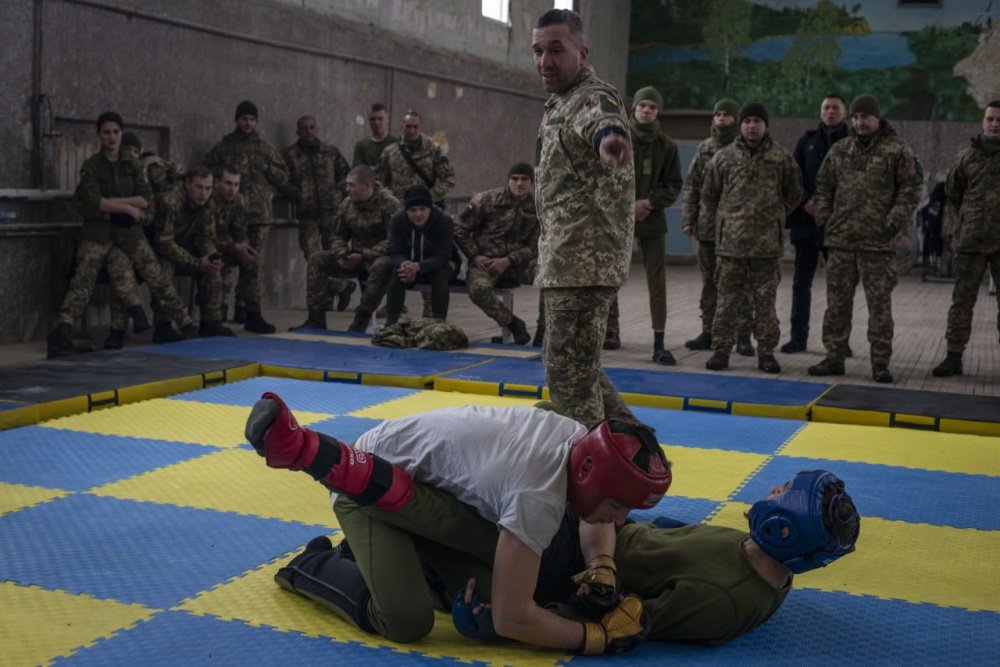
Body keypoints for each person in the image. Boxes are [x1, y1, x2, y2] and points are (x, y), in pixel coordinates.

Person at [244, 394, 672, 653]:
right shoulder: (537, 495)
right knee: (406, 622)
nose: (620, 519)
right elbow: (512, 618)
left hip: (429, 492)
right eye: (618, 505)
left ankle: (384, 554)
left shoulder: (579, 441)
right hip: (365, 491)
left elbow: (596, 516)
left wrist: (601, 565)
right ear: (590, 474)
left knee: (502, 577)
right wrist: (595, 637)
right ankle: (311, 566)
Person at [281, 469, 858, 647]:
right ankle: (362, 540)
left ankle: (313, 567)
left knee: (429, 568)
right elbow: (662, 536)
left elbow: (620, 625)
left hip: (555, 575)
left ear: (785, 528)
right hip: (581, 536)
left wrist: (504, 624)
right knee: (475, 502)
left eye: (784, 494)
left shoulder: (723, 601)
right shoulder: (753, 551)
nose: (773, 490)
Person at [532, 9, 637, 428]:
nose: (545, 61)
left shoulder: (591, 96)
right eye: (538, 51)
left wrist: (610, 136)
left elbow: (602, 119)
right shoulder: (559, 102)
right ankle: (637, 449)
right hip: (566, 260)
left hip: (582, 261)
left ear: (583, 52)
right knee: (576, 368)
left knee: (569, 378)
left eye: (556, 50)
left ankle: (593, 462)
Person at [47, 111, 195, 358]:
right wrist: (126, 208)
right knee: (82, 281)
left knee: (156, 276)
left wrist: (111, 203)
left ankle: (186, 323)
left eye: (116, 132)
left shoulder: (133, 165)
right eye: (107, 132)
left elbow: (145, 200)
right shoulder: (92, 166)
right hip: (99, 233)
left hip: (128, 232)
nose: (112, 137)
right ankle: (63, 331)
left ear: (121, 134)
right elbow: (91, 200)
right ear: (99, 135)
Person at [808, 94, 923, 383]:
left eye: (865, 117)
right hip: (841, 242)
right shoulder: (840, 150)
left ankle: (880, 363)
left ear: (877, 118)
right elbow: (823, 187)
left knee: (879, 307)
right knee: (837, 305)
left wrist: (892, 222)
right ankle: (834, 357)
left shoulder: (897, 150)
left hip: (878, 244)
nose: (860, 122)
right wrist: (825, 220)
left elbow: (910, 189)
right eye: (856, 117)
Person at [701, 103, 803, 374]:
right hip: (730, 246)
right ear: (740, 125)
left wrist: (774, 215)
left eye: (757, 121)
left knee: (765, 303)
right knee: (726, 301)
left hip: (766, 247)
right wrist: (726, 220)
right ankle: (721, 350)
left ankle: (766, 353)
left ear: (765, 125)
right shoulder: (723, 157)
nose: (752, 126)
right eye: (747, 121)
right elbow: (709, 194)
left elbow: (794, 193)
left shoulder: (781, 158)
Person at [605, 85, 682, 363]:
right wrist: (629, 206)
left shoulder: (666, 146)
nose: (646, 110)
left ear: (658, 112)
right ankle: (608, 331)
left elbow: (673, 184)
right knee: (609, 276)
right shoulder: (617, 140)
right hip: (618, 221)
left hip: (652, 219)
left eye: (652, 107)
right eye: (642, 106)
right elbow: (605, 180)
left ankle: (659, 343)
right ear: (634, 109)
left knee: (656, 283)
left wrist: (649, 202)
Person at [205, 100, 294, 324]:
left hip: (257, 215)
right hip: (229, 214)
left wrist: (268, 169)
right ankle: (220, 307)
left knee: (252, 264)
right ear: (237, 120)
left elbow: (284, 176)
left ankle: (247, 307)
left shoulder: (265, 148)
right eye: (244, 118)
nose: (248, 123)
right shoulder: (224, 147)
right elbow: (207, 171)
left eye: (252, 119)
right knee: (225, 261)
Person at [681, 99, 755, 357]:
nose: (722, 118)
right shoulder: (705, 148)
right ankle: (709, 332)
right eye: (718, 114)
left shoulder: (745, 147)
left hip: (737, 229)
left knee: (741, 284)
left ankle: (743, 335)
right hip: (709, 227)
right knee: (710, 283)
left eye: (727, 115)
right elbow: (692, 186)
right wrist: (689, 219)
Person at [932, 101, 1000, 377]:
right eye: (990, 119)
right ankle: (954, 356)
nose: (995, 124)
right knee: (962, 302)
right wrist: (965, 224)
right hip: (971, 241)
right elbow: (953, 194)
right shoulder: (967, 156)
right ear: (983, 121)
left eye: (999, 120)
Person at [781, 94, 850, 354]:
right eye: (826, 108)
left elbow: (856, 183)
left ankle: (839, 342)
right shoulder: (807, 141)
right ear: (820, 112)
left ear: (844, 112)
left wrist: (827, 205)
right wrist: (806, 202)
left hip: (838, 225)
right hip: (807, 222)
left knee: (840, 287)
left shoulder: (853, 142)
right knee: (801, 284)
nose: (831, 112)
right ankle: (798, 338)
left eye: (835, 108)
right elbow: (793, 178)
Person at [294, 165, 399, 332]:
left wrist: (365, 255)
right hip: (355, 258)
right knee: (317, 259)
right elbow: (337, 235)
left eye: (351, 185)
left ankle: (361, 320)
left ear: (366, 186)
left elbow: (394, 240)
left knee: (381, 266)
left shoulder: (390, 204)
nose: (347, 189)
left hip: (382, 258)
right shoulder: (347, 204)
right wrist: (341, 253)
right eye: (347, 184)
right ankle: (316, 318)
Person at [455, 162, 540, 345]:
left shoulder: (537, 207)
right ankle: (512, 323)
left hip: (518, 263)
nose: (519, 183)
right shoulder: (487, 200)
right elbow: (459, 228)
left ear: (532, 182)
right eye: (514, 179)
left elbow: (535, 246)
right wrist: (474, 255)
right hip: (486, 263)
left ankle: (543, 331)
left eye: (524, 179)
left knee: (549, 278)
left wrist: (508, 260)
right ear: (508, 181)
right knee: (478, 289)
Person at [150, 167, 233, 338]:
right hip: (158, 251)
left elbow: (207, 237)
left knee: (212, 267)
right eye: (199, 187)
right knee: (164, 270)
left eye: (208, 188)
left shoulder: (209, 203)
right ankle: (163, 326)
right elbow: (164, 242)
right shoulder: (170, 201)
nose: (203, 193)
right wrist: (197, 263)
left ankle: (211, 322)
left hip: (186, 247)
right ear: (188, 183)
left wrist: (211, 257)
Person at [210, 165, 277, 334]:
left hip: (225, 246)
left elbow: (240, 231)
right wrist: (234, 246)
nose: (232, 189)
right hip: (205, 247)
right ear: (217, 183)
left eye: (236, 184)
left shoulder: (239, 201)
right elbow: (206, 236)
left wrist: (244, 248)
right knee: (216, 261)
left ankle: (253, 314)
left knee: (252, 261)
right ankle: (213, 317)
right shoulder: (208, 201)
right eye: (228, 184)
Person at [385, 186, 455, 325]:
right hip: (412, 263)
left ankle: (439, 322)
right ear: (406, 211)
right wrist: (405, 265)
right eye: (413, 210)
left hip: (443, 263)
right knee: (398, 273)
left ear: (430, 208)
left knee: (440, 275)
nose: (418, 214)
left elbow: (443, 255)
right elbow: (396, 251)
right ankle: (391, 322)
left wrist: (418, 267)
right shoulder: (397, 220)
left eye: (422, 209)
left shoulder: (443, 220)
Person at [377, 110, 455, 205]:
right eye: (408, 127)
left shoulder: (433, 150)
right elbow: (379, 182)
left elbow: (448, 178)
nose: (412, 131)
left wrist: (430, 196)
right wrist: (392, 201)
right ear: (402, 127)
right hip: (399, 208)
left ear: (420, 127)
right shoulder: (390, 152)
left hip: (426, 208)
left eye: (415, 127)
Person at [352, 103, 399, 168]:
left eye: (380, 118)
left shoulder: (396, 144)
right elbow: (356, 171)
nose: (376, 123)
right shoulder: (361, 146)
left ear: (387, 119)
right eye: (373, 119)